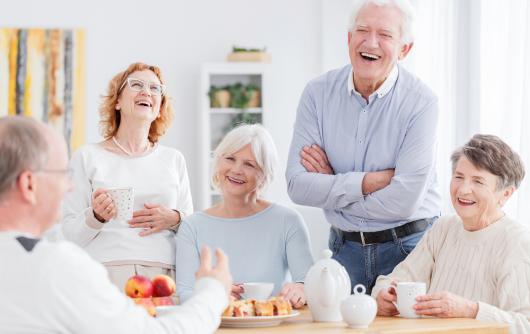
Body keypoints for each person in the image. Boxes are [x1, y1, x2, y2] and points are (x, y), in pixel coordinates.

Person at [0, 116, 232, 334]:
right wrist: (213, 292)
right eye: (61, 173)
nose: (68, 186)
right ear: (29, 185)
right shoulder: (55, 267)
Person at [285, 0, 442, 294]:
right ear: (349, 38)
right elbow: (297, 185)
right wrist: (370, 182)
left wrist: (331, 187)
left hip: (409, 249)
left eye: (385, 34)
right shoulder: (317, 93)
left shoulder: (422, 103)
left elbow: (405, 201)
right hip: (343, 251)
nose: (371, 42)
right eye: (362, 30)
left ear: (404, 49)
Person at [373, 134, 530, 333]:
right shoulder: (444, 227)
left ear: (506, 193)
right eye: (459, 177)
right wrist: (383, 295)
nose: (463, 190)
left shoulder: (518, 242)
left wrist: (471, 310)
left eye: (478, 182)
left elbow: (525, 323)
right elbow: (397, 279)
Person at [61, 63, 193, 292]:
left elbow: (192, 230)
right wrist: (96, 217)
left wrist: (175, 218)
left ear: (159, 107)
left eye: (155, 88)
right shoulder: (87, 156)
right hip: (104, 275)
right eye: (137, 84)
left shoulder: (174, 159)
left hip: (164, 276)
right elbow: (68, 237)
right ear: (117, 101)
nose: (146, 92)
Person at [176, 124, 314, 308]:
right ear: (218, 161)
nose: (236, 170)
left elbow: (309, 284)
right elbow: (184, 293)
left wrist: (301, 290)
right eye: (230, 158)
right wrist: (214, 294)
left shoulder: (287, 220)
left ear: (265, 175)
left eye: (249, 164)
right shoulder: (192, 225)